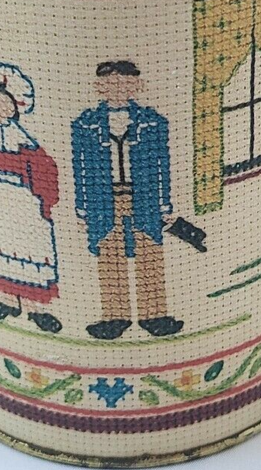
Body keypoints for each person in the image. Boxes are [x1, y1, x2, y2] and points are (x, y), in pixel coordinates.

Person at [71, 61, 182, 340]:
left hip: (144, 197)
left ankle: (154, 315)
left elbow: (161, 165)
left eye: (124, 83)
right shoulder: (86, 125)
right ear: (99, 87)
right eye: (110, 83)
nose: (117, 89)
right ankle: (115, 316)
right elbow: (80, 168)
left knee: (149, 251)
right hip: (103, 200)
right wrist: (82, 209)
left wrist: (164, 205)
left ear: (137, 86)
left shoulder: (152, 122)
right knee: (110, 254)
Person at [0, 60, 61, 332]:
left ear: (16, 107)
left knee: (32, 252)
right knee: (0, 249)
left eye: (4, 103)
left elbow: (45, 171)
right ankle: (9, 300)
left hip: (26, 205)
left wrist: (41, 200)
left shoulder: (25, 141)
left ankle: (34, 307)